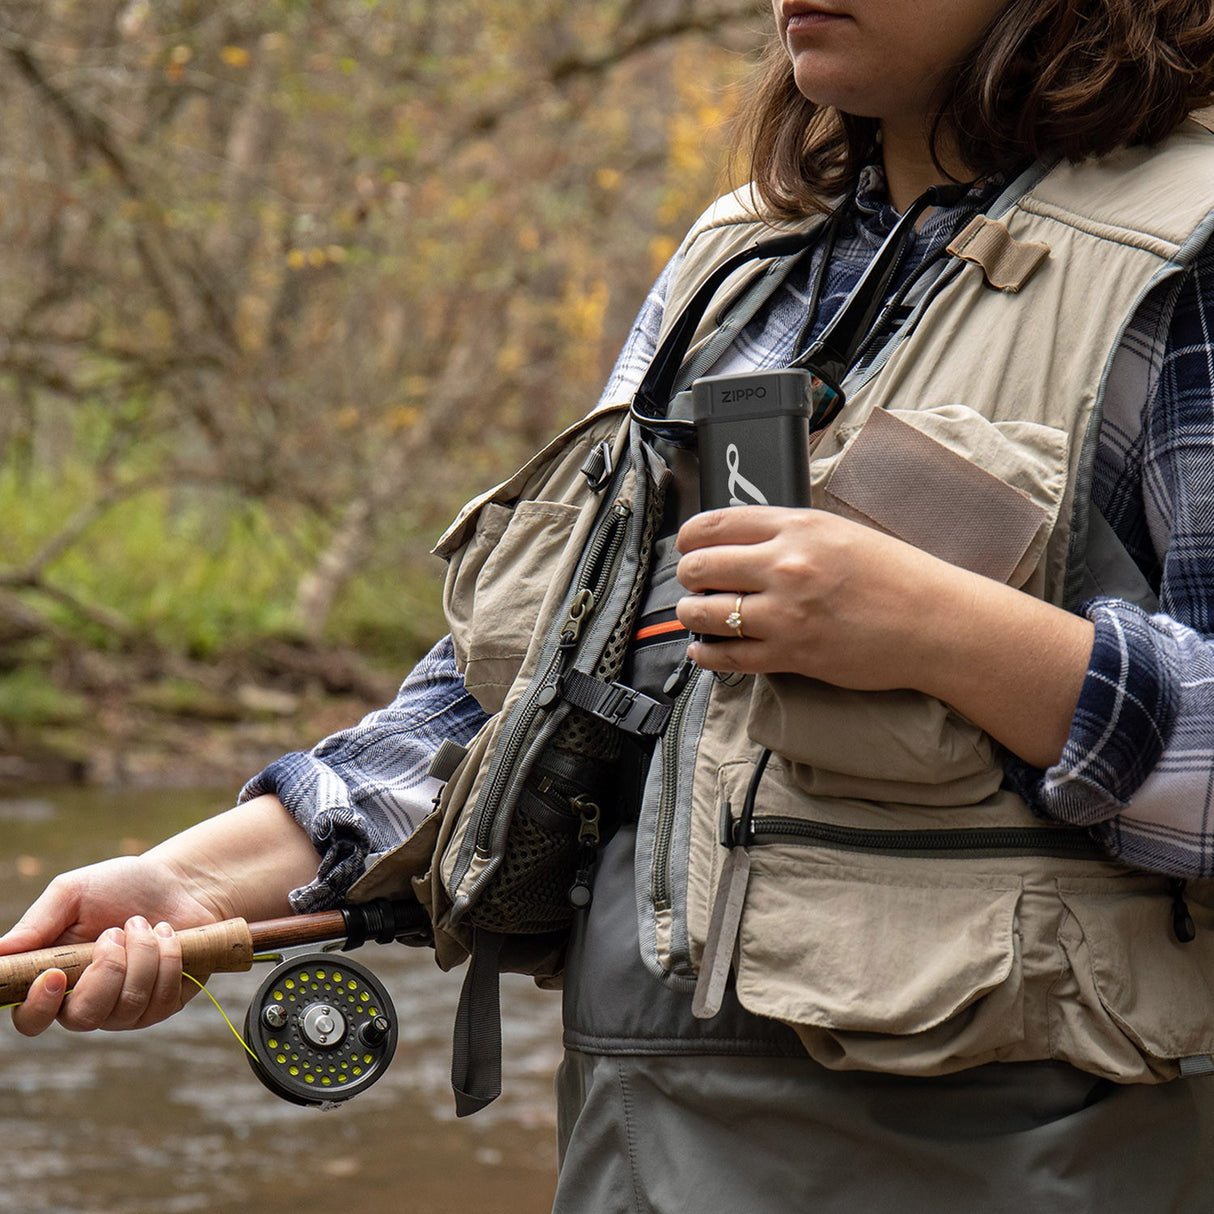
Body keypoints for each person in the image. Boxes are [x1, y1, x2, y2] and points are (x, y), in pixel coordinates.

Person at [6, 0, 1214, 1208]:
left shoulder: (1185, 259)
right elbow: (542, 679)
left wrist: (943, 633)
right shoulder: (737, 259)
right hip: (637, 1148)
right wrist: (207, 880)